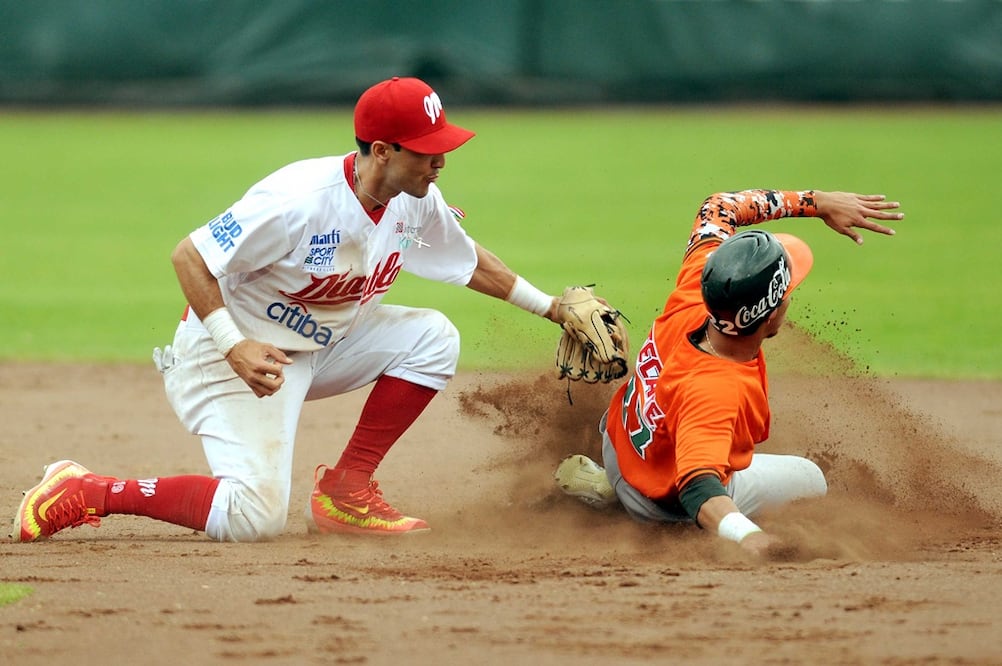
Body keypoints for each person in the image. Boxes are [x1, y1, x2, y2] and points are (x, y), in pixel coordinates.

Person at [14, 76, 611, 543]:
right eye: (428, 151)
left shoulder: (414, 199)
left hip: (321, 346)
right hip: (235, 359)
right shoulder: (297, 202)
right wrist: (232, 344)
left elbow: (470, 261)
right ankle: (89, 489)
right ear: (383, 151)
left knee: (433, 337)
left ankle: (346, 492)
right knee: (253, 518)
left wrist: (553, 309)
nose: (441, 162)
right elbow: (189, 256)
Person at [554, 189, 902, 558]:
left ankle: (610, 479)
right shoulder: (715, 388)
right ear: (770, 314)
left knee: (714, 445)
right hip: (654, 501)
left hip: (617, 442)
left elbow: (719, 207)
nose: (790, 296)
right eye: (787, 291)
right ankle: (626, 502)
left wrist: (817, 202)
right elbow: (697, 486)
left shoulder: (699, 289)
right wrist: (748, 535)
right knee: (809, 479)